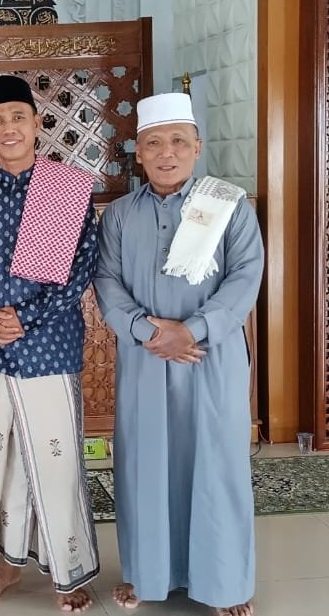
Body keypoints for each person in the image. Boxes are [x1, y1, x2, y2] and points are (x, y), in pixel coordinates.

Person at [93, 92, 263, 616]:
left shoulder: (229, 206)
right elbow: (106, 281)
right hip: (146, 358)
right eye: (154, 143)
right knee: (145, 466)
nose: (166, 153)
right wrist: (147, 331)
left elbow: (245, 277)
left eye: (178, 142)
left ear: (197, 147)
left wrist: (192, 330)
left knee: (216, 465)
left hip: (210, 357)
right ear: (138, 153)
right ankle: (148, 575)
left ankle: (224, 583)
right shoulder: (120, 215)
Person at [0, 75, 100, 613]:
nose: (8, 128)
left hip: (48, 346)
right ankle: (7, 565)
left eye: (18, 117)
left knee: (55, 458)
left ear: (37, 124)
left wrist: (21, 318)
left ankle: (68, 569)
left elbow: (78, 272)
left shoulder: (65, 188)